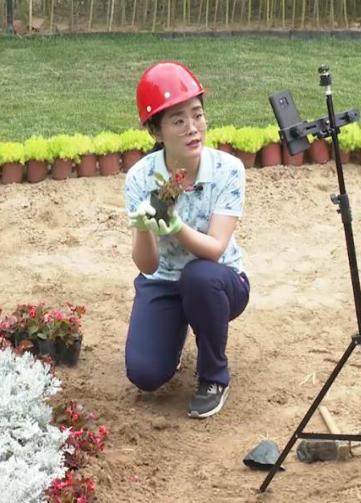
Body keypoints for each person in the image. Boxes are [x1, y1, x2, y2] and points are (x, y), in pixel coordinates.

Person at [123, 61, 250, 419]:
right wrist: (143, 228)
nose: (193, 128)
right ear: (156, 131)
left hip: (220, 281)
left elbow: (215, 249)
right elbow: (147, 265)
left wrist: (175, 226)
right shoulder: (140, 178)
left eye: (197, 115)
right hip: (163, 280)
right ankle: (172, 336)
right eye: (178, 121)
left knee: (199, 276)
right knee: (145, 375)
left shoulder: (228, 170)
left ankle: (213, 377)